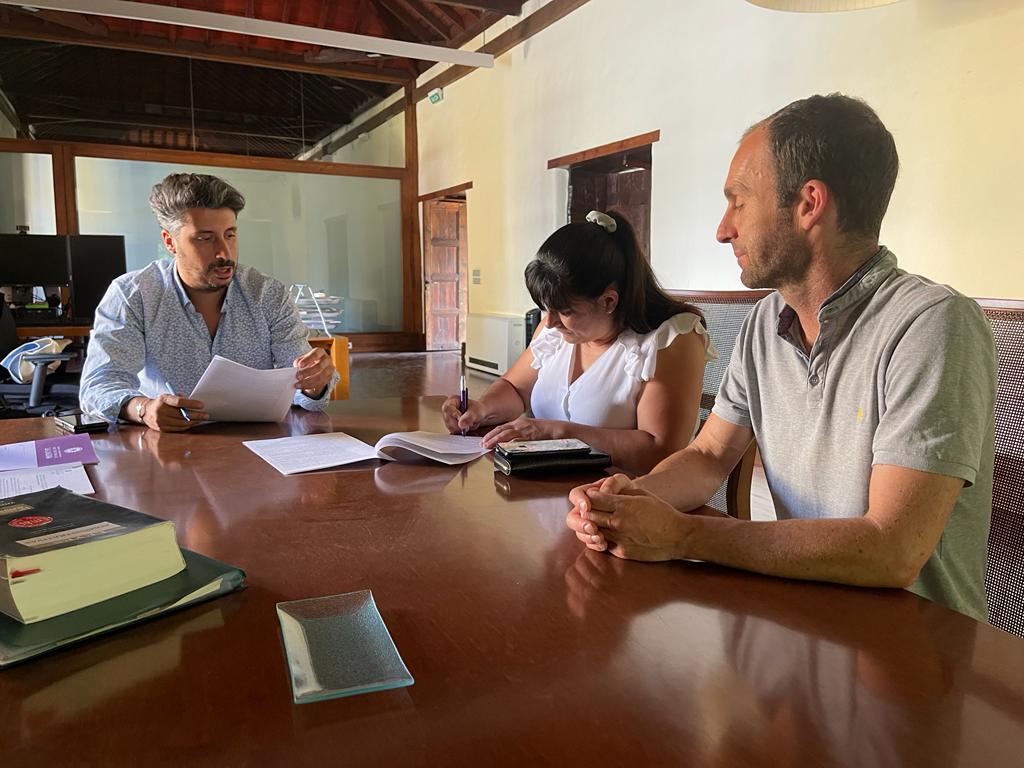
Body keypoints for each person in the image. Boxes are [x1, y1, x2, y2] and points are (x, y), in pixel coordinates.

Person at [566, 94, 997, 621]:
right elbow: (707, 457)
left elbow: (891, 548)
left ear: (809, 204)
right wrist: (625, 500)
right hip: (803, 617)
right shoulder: (764, 323)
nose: (723, 229)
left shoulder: (932, 323)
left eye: (738, 202)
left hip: (911, 655)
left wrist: (684, 534)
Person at [442, 210, 715, 474]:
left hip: (626, 501)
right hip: (547, 492)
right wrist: (482, 409)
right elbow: (515, 388)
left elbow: (660, 451)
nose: (550, 323)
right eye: (548, 309)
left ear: (609, 301)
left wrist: (556, 432)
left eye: (566, 311)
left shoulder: (670, 340)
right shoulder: (556, 333)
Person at [79, 173, 337, 432]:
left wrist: (314, 383)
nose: (224, 253)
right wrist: (142, 409)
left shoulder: (268, 295)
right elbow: (99, 385)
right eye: (205, 238)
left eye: (230, 235)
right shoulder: (134, 295)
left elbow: (303, 389)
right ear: (170, 242)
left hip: (258, 445)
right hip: (167, 448)